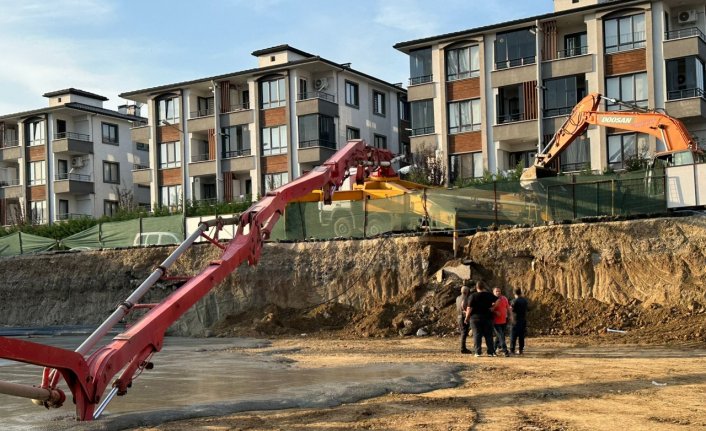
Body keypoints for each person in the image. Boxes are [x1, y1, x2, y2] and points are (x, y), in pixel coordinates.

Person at [466, 280, 497, 357]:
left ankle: (477, 352)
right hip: (487, 317)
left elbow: (469, 308)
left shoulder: (473, 296)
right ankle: (491, 352)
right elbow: (498, 300)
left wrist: (466, 317)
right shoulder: (489, 295)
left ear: (476, 287)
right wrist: (493, 308)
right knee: (489, 335)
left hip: (475, 318)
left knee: (477, 335)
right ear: (484, 287)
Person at [510, 288, 529, 355]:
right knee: (521, 336)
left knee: (513, 336)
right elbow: (528, 309)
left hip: (515, 320)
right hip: (523, 320)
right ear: (520, 293)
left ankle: (512, 350)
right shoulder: (525, 301)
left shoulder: (514, 301)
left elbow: (511, 309)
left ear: (514, 293)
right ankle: (521, 350)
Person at [492, 286, 510, 357]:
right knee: (501, 336)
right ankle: (505, 351)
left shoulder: (504, 298)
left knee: (499, 336)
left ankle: (493, 350)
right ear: (493, 293)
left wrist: (511, 315)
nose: (498, 292)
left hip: (504, 321)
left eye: (499, 291)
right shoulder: (492, 299)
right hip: (495, 322)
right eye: (496, 291)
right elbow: (489, 309)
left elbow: (508, 307)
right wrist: (495, 312)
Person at [455, 282, 472, 354]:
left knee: (463, 332)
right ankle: (463, 348)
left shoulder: (457, 298)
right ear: (467, 291)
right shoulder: (467, 298)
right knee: (464, 332)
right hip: (463, 317)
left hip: (459, 316)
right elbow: (466, 308)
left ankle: (463, 347)